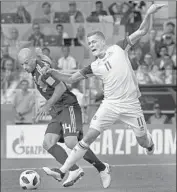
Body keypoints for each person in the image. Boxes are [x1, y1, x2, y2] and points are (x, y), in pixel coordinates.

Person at [43, 4, 165, 181]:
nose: (91, 45)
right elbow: (70, 79)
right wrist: (53, 72)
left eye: (94, 42)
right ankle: (63, 170)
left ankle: (149, 142)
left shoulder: (118, 48)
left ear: (103, 42)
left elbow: (142, 30)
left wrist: (148, 13)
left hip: (131, 105)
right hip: (110, 104)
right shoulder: (94, 66)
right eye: (89, 43)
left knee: (143, 142)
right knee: (87, 139)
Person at [17, 48, 111, 188]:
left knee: (71, 142)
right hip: (57, 110)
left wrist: (47, 104)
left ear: (32, 60)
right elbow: (44, 59)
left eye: (25, 63)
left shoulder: (42, 72)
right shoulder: (36, 66)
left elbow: (60, 87)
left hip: (68, 106)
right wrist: (40, 54)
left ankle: (102, 168)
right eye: (21, 65)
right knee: (48, 143)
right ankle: (74, 170)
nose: (24, 67)